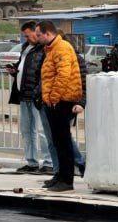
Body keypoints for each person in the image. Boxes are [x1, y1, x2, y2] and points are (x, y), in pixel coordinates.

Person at [37, 21, 85, 191]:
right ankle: (60, 176)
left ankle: (67, 180)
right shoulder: (50, 49)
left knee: (63, 142)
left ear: (47, 33)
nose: (37, 38)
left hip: (62, 101)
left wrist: (53, 97)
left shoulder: (62, 48)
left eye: (38, 35)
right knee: (57, 141)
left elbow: (63, 75)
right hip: (54, 101)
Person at [8, 21, 52, 175]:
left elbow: (44, 74)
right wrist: (15, 70)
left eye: (28, 35)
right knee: (27, 130)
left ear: (36, 32)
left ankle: (48, 162)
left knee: (41, 130)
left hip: (37, 96)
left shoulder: (44, 49)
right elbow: (24, 67)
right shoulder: (26, 48)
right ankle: (31, 161)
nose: (26, 38)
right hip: (24, 95)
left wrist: (38, 92)